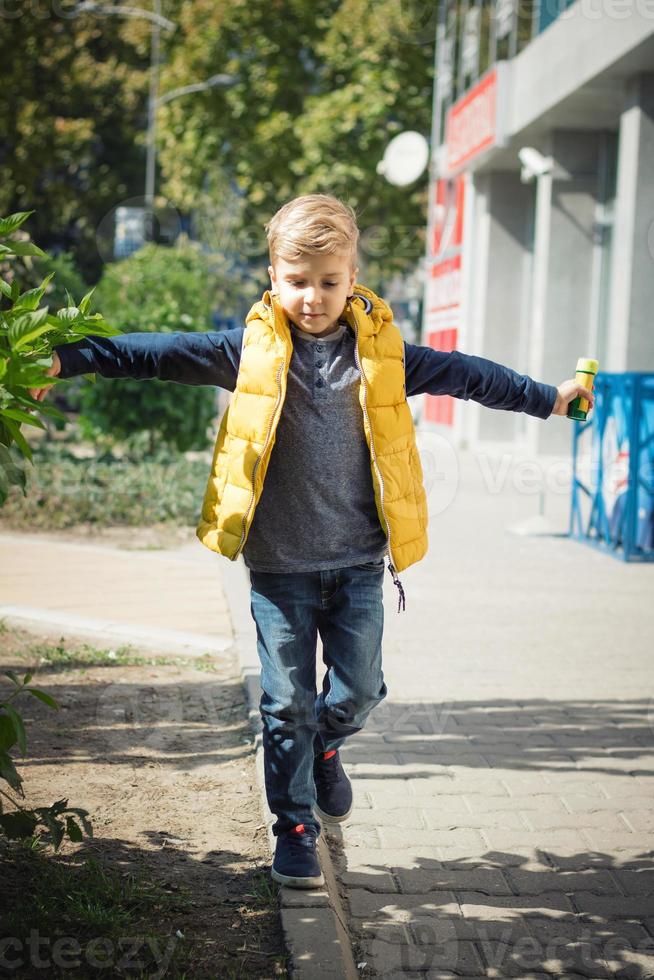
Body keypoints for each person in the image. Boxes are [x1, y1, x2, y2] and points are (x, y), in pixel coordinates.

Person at [30, 194, 594, 889]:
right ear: (273, 276)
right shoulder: (245, 352)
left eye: (330, 281)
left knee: (359, 690)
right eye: (298, 280)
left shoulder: (384, 356)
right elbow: (149, 353)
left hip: (358, 563)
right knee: (284, 702)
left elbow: (470, 374)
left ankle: (327, 749)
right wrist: (62, 361)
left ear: (354, 277)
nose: (314, 296)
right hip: (278, 569)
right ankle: (294, 828)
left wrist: (548, 397)